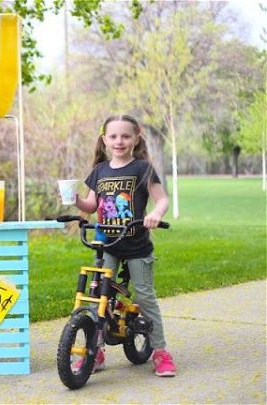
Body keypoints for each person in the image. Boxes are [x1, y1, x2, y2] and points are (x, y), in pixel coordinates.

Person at [74, 114, 176, 377]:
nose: (119, 141)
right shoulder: (99, 171)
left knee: (144, 295)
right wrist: (75, 200)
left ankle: (160, 351)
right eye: (114, 136)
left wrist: (156, 214)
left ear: (136, 138)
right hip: (107, 244)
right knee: (99, 297)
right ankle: (95, 352)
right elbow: (91, 205)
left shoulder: (142, 168)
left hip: (137, 246)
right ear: (105, 139)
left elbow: (162, 199)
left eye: (125, 136)